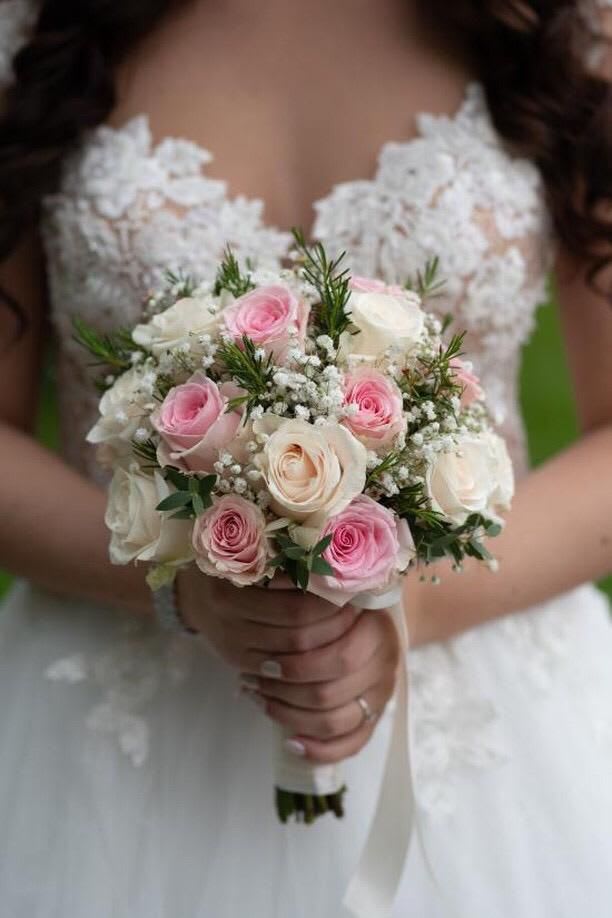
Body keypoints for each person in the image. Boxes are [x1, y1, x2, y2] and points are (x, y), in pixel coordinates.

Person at [1, 1, 611, 915]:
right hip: (109, 709)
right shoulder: (35, 30)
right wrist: (182, 586)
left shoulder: (561, 23)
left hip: (489, 705)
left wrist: (402, 607)